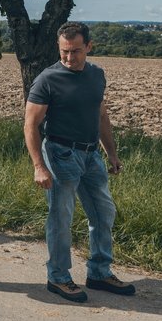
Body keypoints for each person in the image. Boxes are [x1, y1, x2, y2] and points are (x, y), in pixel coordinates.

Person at [24, 21, 136, 303]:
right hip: (61, 153)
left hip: (91, 155)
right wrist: (39, 166)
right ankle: (58, 277)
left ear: (89, 46)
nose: (69, 58)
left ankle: (99, 272)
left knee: (104, 212)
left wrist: (111, 152)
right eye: (64, 52)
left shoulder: (97, 75)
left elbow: (101, 116)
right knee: (61, 217)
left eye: (75, 51)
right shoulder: (47, 79)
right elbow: (30, 125)